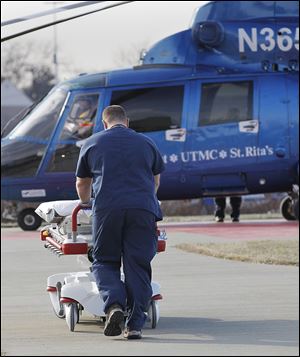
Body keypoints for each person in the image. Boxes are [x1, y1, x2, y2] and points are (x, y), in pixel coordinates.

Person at [75, 105, 165, 340]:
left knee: (104, 260)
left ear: (104, 123)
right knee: (137, 264)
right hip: (143, 209)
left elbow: (82, 184)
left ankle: (114, 306)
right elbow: (155, 181)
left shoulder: (92, 143)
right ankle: (135, 325)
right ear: (127, 121)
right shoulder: (147, 143)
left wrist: (85, 202)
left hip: (108, 209)